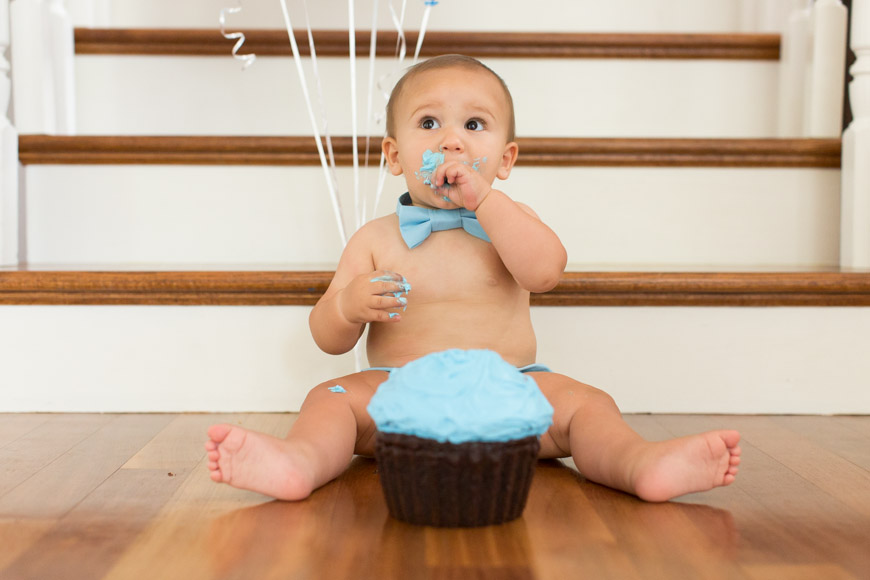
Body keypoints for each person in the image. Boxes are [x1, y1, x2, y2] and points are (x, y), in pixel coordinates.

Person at [205, 54, 741, 503]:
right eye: (430, 123)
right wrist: (346, 307)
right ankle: (297, 464)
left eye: (474, 125)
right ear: (394, 156)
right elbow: (326, 337)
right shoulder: (375, 238)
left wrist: (488, 204)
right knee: (331, 396)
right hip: (399, 393)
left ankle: (640, 465)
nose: (453, 142)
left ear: (504, 160)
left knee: (586, 404)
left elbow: (546, 272)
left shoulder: (510, 220)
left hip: (510, 388)